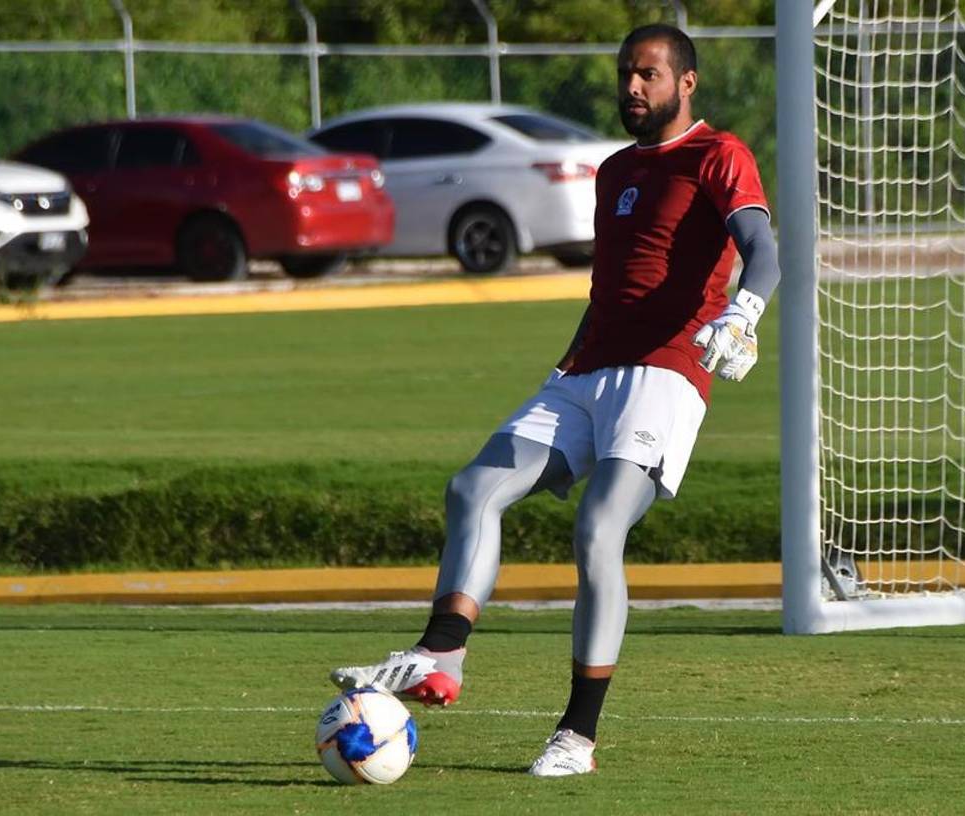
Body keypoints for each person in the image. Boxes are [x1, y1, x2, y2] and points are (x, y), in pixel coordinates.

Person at [330, 22, 781, 777]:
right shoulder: (613, 171)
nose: (632, 88)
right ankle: (442, 656)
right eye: (625, 74)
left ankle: (577, 735)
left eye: (649, 75)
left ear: (685, 83)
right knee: (473, 488)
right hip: (585, 374)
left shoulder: (718, 154)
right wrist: (570, 363)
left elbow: (764, 247)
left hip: (665, 374)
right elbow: (613, 286)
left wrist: (744, 312)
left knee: (598, 528)